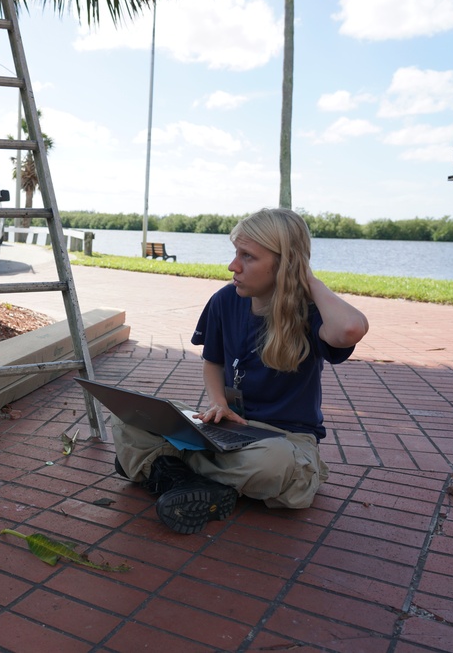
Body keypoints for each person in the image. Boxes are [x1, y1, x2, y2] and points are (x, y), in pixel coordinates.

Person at [112, 208, 369, 534]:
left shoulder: (310, 313)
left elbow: (348, 330)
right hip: (226, 430)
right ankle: (195, 480)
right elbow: (213, 362)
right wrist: (218, 402)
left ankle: (163, 468)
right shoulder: (224, 300)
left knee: (275, 465)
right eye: (236, 253)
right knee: (129, 414)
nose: (233, 266)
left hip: (281, 440)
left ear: (283, 263)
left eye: (248, 256)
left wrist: (306, 277)